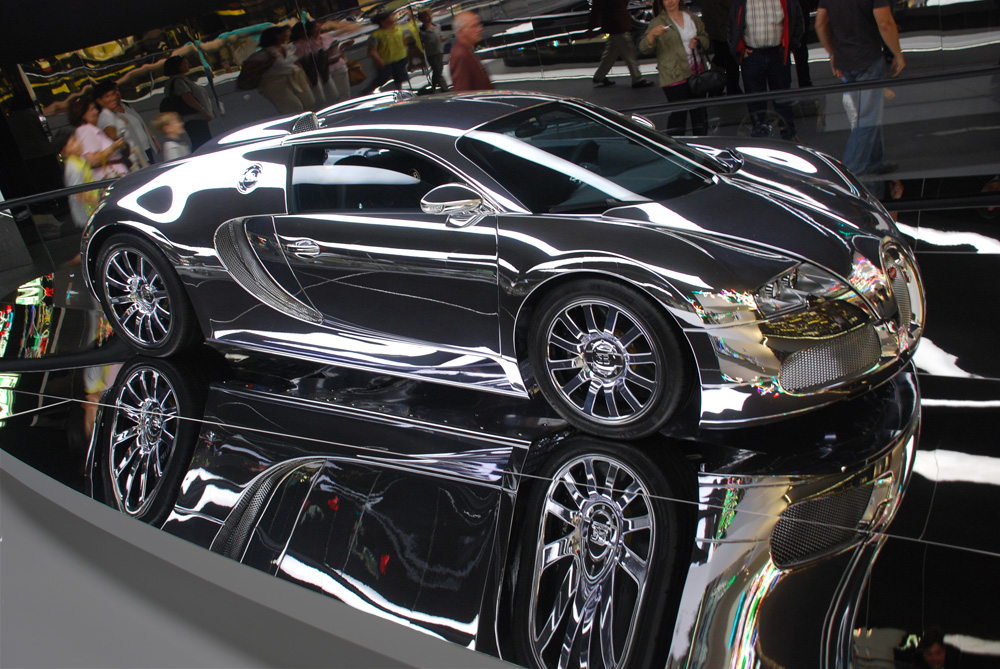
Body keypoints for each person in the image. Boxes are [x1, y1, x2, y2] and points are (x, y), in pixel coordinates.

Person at [816, 0, 904, 176]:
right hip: (868, 59)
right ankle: (849, 174)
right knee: (867, 119)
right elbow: (885, 23)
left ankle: (875, 161)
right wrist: (898, 54)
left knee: (869, 114)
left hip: (845, 62)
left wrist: (832, 53)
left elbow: (820, 24)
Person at [729, 0, 805, 139]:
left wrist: (790, 45)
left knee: (782, 99)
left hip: (777, 54)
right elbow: (731, 24)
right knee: (755, 102)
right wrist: (740, 50)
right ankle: (761, 141)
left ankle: (788, 138)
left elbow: (797, 19)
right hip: (752, 56)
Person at [640, 0, 710, 135]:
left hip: (696, 72)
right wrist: (652, 34)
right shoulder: (658, 21)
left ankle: (701, 147)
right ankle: (676, 149)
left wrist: (699, 41)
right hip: (673, 76)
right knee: (679, 114)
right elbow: (644, 48)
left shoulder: (690, 17)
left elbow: (705, 38)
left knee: (699, 113)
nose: (670, 1)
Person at [93, 80, 160, 167]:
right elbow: (116, 143)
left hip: (135, 156)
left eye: (113, 94)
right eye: (107, 96)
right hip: (129, 161)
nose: (112, 98)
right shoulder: (106, 117)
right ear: (99, 101)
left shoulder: (112, 114)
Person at [589, 0, 653, 88]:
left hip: (613, 23)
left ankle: (600, 75)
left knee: (612, 52)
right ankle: (637, 78)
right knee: (628, 52)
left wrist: (591, 27)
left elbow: (596, 8)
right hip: (618, 23)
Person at [256, 25, 316, 115]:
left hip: (297, 78)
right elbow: (252, 70)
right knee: (294, 107)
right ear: (276, 36)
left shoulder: (288, 48)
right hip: (277, 83)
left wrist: (306, 78)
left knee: (310, 102)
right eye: (284, 32)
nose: (288, 34)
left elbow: (296, 62)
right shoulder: (263, 54)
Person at [67, 96, 130, 180]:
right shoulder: (86, 130)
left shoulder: (92, 129)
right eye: (92, 109)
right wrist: (113, 147)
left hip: (116, 175)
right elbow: (92, 160)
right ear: (82, 114)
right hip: (110, 177)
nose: (96, 112)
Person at [162, 55, 214, 150]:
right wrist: (203, 110)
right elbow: (187, 98)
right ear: (177, 67)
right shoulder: (178, 81)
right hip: (193, 118)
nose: (188, 65)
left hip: (194, 118)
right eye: (185, 63)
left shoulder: (181, 79)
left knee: (202, 142)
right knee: (203, 143)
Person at [54, 127, 100, 228]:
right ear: (64, 150)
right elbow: (78, 193)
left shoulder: (79, 160)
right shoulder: (73, 167)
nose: (79, 143)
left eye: (77, 139)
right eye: (73, 142)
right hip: (88, 213)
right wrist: (95, 201)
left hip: (93, 210)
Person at [366, 11, 421, 92]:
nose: (393, 17)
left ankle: (400, 92)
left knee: (400, 78)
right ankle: (368, 91)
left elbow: (406, 41)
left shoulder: (400, 29)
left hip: (401, 59)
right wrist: (379, 60)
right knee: (382, 79)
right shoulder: (376, 35)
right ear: (383, 22)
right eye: (390, 16)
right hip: (386, 62)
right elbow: (372, 50)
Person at [291, 21, 338, 108]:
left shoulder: (311, 41)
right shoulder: (299, 45)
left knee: (332, 92)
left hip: (321, 69)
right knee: (320, 96)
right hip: (311, 72)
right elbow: (298, 61)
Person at [701, 0, 743, 94]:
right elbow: (733, 6)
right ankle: (731, 89)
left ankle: (716, 88)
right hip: (724, 31)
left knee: (720, 60)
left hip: (714, 30)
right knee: (731, 61)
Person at [449, 12, 493, 91]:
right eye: (474, 26)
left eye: (479, 25)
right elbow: (462, 91)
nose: (480, 29)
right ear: (461, 31)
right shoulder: (460, 55)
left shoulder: (466, 49)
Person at [418, 9, 448, 91]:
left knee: (438, 70)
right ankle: (444, 88)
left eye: (429, 15)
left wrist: (443, 38)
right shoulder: (422, 31)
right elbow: (422, 44)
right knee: (438, 71)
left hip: (440, 51)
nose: (428, 18)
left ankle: (433, 87)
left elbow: (440, 36)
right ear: (421, 19)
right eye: (425, 17)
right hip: (431, 54)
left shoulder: (437, 26)